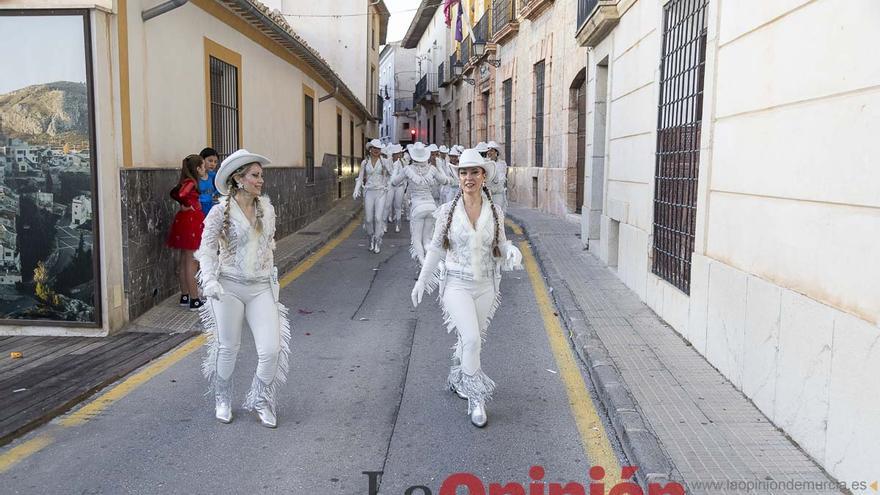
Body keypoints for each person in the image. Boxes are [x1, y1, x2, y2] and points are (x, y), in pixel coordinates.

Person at [411, 148, 523, 428]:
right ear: (458, 176)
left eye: (474, 171)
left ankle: (460, 376)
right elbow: (436, 248)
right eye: (464, 172)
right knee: (472, 339)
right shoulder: (448, 211)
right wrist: (422, 280)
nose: (468, 177)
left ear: (483, 176)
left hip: (487, 285)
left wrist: (511, 252)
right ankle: (476, 397)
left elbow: (500, 245)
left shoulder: (495, 212)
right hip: (456, 284)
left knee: (472, 338)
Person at [195, 149, 291, 428]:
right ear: (239, 179)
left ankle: (261, 399)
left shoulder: (268, 209)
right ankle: (223, 398)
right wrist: (210, 281)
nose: (261, 181)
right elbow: (206, 250)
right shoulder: (218, 212)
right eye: (255, 176)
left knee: (271, 349)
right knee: (228, 347)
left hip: (261, 287)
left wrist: (272, 281)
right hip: (228, 287)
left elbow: (269, 247)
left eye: (261, 176)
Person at [390, 142, 451, 264]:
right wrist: (439, 166)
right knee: (427, 239)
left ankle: (423, 265)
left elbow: (393, 182)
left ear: (413, 156)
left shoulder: (407, 169)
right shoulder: (432, 169)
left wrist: (396, 169)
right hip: (431, 207)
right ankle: (428, 264)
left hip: (417, 208)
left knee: (416, 239)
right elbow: (445, 181)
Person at [167, 154, 206, 311]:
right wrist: (188, 204)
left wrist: (184, 205)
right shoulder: (191, 182)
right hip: (191, 221)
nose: (204, 169)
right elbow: (181, 194)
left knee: (184, 259)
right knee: (192, 261)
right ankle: (194, 299)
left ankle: (185, 295)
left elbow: (174, 193)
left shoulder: (185, 181)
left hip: (184, 220)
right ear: (197, 168)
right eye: (202, 166)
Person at [353, 139, 391, 253]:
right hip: (369, 192)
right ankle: (371, 237)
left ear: (380, 150)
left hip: (381, 192)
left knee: (378, 218)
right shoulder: (365, 162)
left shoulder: (384, 162)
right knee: (369, 219)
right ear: (370, 149)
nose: (376, 150)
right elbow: (360, 178)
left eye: (378, 149)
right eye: (374, 148)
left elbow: (392, 174)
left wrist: (388, 185)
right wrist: (356, 189)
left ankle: (378, 240)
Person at [383, 144, 406, 233]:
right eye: (397, 153)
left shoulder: (402, 163)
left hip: (399, 186)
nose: (399, 155)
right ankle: (384, 224)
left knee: (398, 206)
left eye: (399, 153)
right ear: (393, 154)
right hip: (389, 186)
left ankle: (398, 224)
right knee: (387, 205)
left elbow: (403, 175)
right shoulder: (387, 162)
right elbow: (385, 174)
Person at [485, 141, 509, 212]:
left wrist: (493, 180)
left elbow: (501, 180)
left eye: (491, 151)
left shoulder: (502, 164)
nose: (489, 153)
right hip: (487, 195)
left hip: (497, 195)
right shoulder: (485, 163)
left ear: (496, 152)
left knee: (497, 215)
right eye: (488, 151)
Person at [198, 147, 220, 215]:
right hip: (199, 209)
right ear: (202, 160)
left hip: (211, 209)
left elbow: (219, 189)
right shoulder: (195, 177)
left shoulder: (214, 176)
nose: (213, 164)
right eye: (210, 161)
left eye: (215, 162)